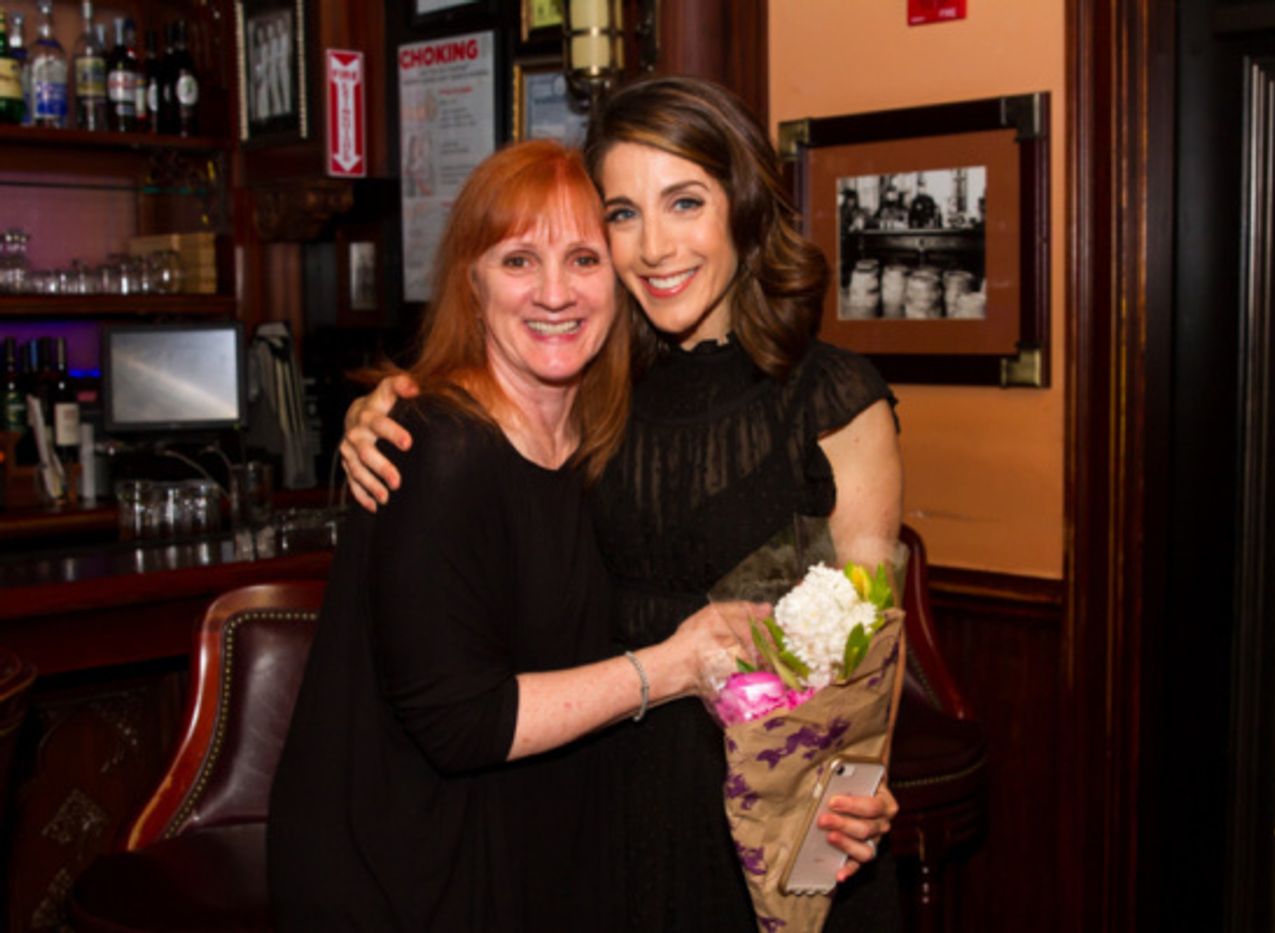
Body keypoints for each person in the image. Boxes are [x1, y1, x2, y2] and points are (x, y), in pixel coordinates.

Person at [340, 76, 904, 931]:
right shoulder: (594, 383)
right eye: (623, 215)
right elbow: (483, 461)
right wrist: (373, 414)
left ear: (742, 207)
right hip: (596, 803)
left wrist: (856, 791)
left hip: (769, 811)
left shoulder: (834, 397)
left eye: (684, 201)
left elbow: (868, 640)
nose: (654, 246)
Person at [268, 139, 761, 931]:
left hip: (539, 842)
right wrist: (675, 665)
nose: (556, 293)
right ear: (472, 280)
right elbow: (462, 722)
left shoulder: (605, 439)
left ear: (622, 282)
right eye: (519, 261)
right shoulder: (435, 446)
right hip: (407, 872)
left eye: (584, 259)